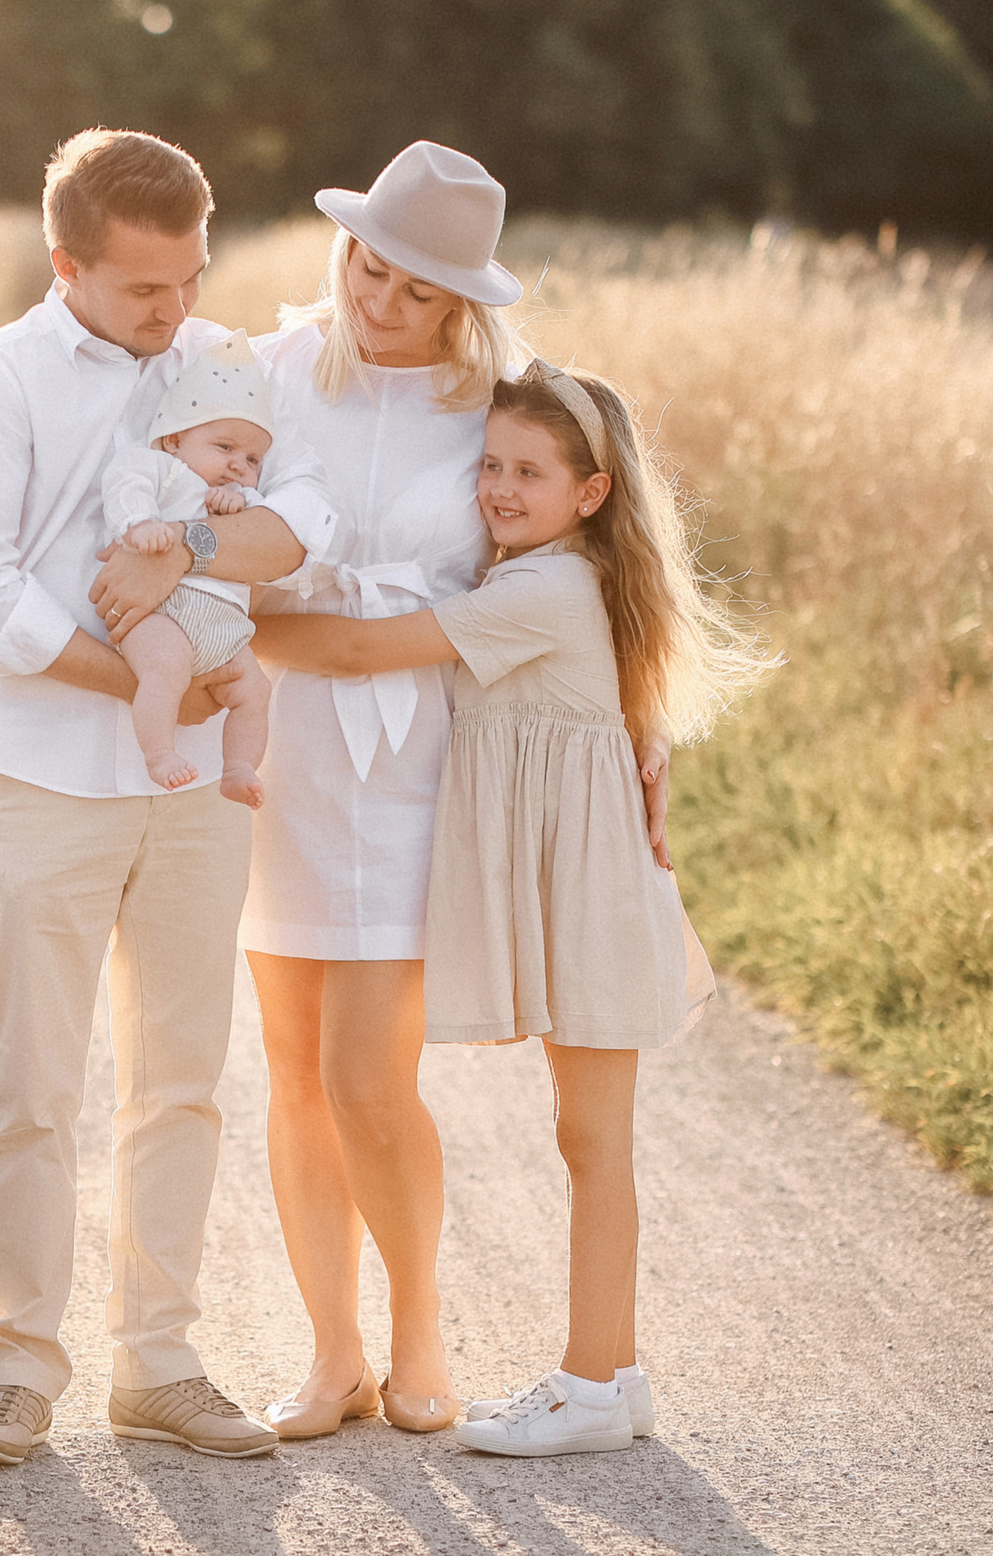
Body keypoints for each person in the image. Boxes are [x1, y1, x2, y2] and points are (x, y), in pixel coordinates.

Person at [252, 360, 768, 1458]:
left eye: (527, 471)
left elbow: (350, 649)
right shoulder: (551, 570)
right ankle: (611, 1379)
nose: (496, 487)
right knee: (590, 1136)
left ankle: (592, 1382)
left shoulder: (539, 589)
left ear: (590, 493)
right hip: (573, 878)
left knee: (591, 1138)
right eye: (487, 464)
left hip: (584, 887)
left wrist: (222, 618)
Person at [0, 129, 336, 1465]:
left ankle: (158, 1362)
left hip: (200, 790)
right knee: (31, 1084)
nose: (175, 313)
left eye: (191, 277)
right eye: (147, 287)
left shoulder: (231, 364)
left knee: (181, 1081)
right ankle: (16, 1367)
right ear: (69, 264)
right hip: (43, 774)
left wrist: (193, 553)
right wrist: (136, 674)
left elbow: (310, 524)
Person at [237, 140, 543, 1438]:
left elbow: (550, 588)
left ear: (461, 302)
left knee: (371, 1075)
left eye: (417, 289)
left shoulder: (506, 412)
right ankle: (330, 1354)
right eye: (372, 264)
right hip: (278, 748)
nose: (381, 299)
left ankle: (420, 1333)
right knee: (293, 1070)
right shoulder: (265, 372)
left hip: (419, 755)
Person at [101, 331, 278, 805]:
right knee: (166, 670)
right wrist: (139, 524)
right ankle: (159, 753)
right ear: (176, 439)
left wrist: (239, 504)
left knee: (255, 689)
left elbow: (269, 534)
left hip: (226, 630)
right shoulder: (161, 469)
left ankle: (239, 767)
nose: (239, 465)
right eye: (224, 447)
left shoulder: (247, 500)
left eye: (252, 458)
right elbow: (125, 481)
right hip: (164, 616)